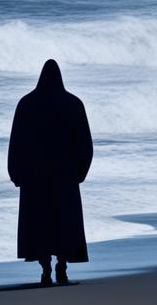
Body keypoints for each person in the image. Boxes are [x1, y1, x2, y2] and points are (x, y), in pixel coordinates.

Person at [7, 59, 93, 285]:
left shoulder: (26, 104)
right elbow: (86, 144)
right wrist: (80, 173)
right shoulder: (74, 104)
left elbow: (16, 142)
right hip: (65, 176)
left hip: (35, 177)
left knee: (40, 223)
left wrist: (15, 173)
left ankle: (45, 270)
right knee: (64, 222)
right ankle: (62, 268)